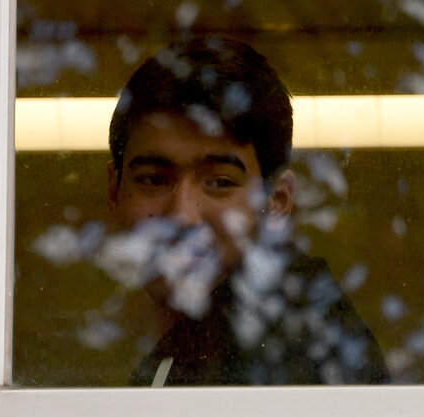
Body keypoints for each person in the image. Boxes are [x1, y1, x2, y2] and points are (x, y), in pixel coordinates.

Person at [105, 36, 389, 386]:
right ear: (114, 190)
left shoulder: (302, 355)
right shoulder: (196, 348)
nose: (182, 215)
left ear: (277, 202)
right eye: (152, 179)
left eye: (220, 183)